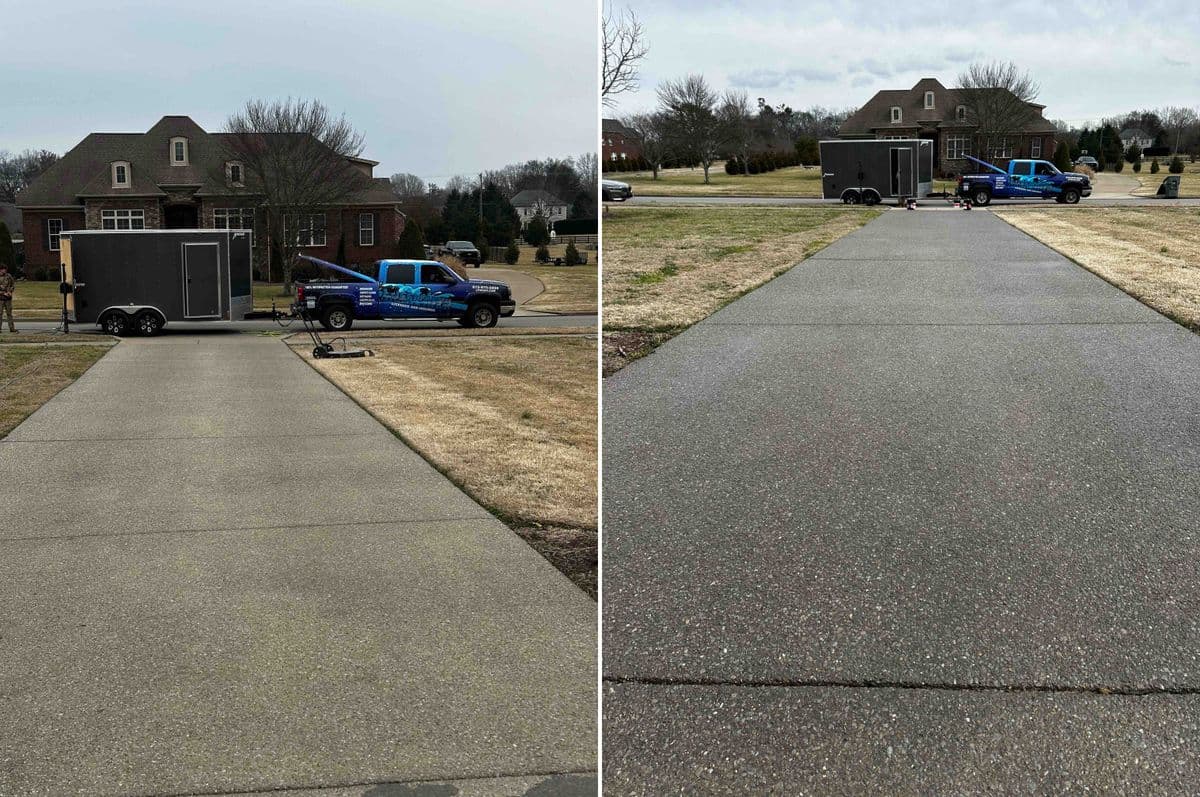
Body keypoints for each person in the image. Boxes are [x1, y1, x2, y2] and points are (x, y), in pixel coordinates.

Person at [0, 263, 16, 333]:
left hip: (8, 298)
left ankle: (12, 328)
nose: (5, 271)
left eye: (6, 269)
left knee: (9, 314)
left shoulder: (9, 276)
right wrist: (3, 293)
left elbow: (13, 284)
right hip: (0, 299)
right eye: (4, 269)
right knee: (0, 314)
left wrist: (10, 291)